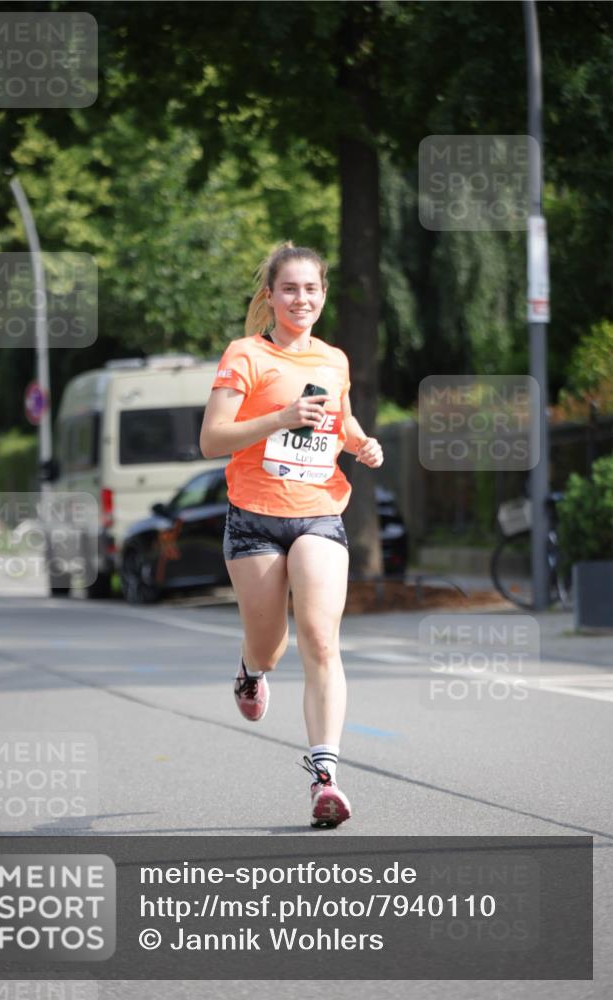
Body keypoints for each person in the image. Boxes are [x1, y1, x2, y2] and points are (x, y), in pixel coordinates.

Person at [200, 242, 383, 828]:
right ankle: (250, 669)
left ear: (323, 295)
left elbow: (341, 420)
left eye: (311, 289)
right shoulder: (246, 356)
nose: (301, 299)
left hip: (320, 511)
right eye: (289, 289)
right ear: (271, 296)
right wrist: (279, 418)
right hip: (254, 517)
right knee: (269, 646)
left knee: (321, 640)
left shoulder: (334, 360)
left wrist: (361, 443)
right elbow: (212, 439)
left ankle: (325, 779)